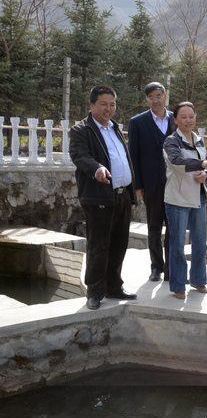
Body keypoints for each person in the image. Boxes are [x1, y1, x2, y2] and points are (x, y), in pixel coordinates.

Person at [69, 85, 138, 310]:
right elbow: (79, 156)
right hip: (98, 196)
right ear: (92, 105)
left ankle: (114, 286)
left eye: (112, 104)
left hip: (122, 195)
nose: (109, 109)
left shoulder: (115, 128)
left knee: (119, 244)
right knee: (99, 245)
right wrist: (97, 169)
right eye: (103, 104)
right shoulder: (82, 129)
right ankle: (95, 292)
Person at [163, 102, 207, 299]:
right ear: (175, 119)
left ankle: (198, 280)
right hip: (177, 199)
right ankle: (178, 285)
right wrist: (202, 164)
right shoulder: (171, 141)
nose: (188, 120)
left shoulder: (199, 140)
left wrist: (206, 174)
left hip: (198, 197)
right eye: (183, 117)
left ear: (195, 118)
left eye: (191, 116)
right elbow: (177, 162)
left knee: (201, 243)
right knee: (177, 245)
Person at [128, 82, 176, 282]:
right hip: (151, 184)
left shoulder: (176, 119)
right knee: (154, 227)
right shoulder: (137, 122)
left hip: (175, 184)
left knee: (174, 227)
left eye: (158, 96)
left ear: (165, 95)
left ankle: (172, 269)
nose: (155, 100)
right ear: (147, 99)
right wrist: (137, 186)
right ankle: (156, 267)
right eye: (151, 97)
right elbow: (133, 156)